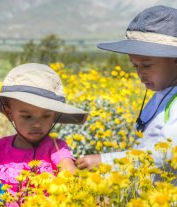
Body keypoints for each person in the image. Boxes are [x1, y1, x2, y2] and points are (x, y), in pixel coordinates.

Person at [76, 5, 177, 181]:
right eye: (135, 66)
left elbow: (169, 154)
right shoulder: (161, 94)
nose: (140, 73)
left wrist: (106, 161)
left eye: (147, 65)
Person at [0, 63, 88, 207]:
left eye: (46, 116)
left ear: (55, 116)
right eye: (27, 116)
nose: (36, 124)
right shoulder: (1, 147)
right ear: (9, 113)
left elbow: (70, 172)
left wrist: (89, 191)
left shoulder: (56, 148)